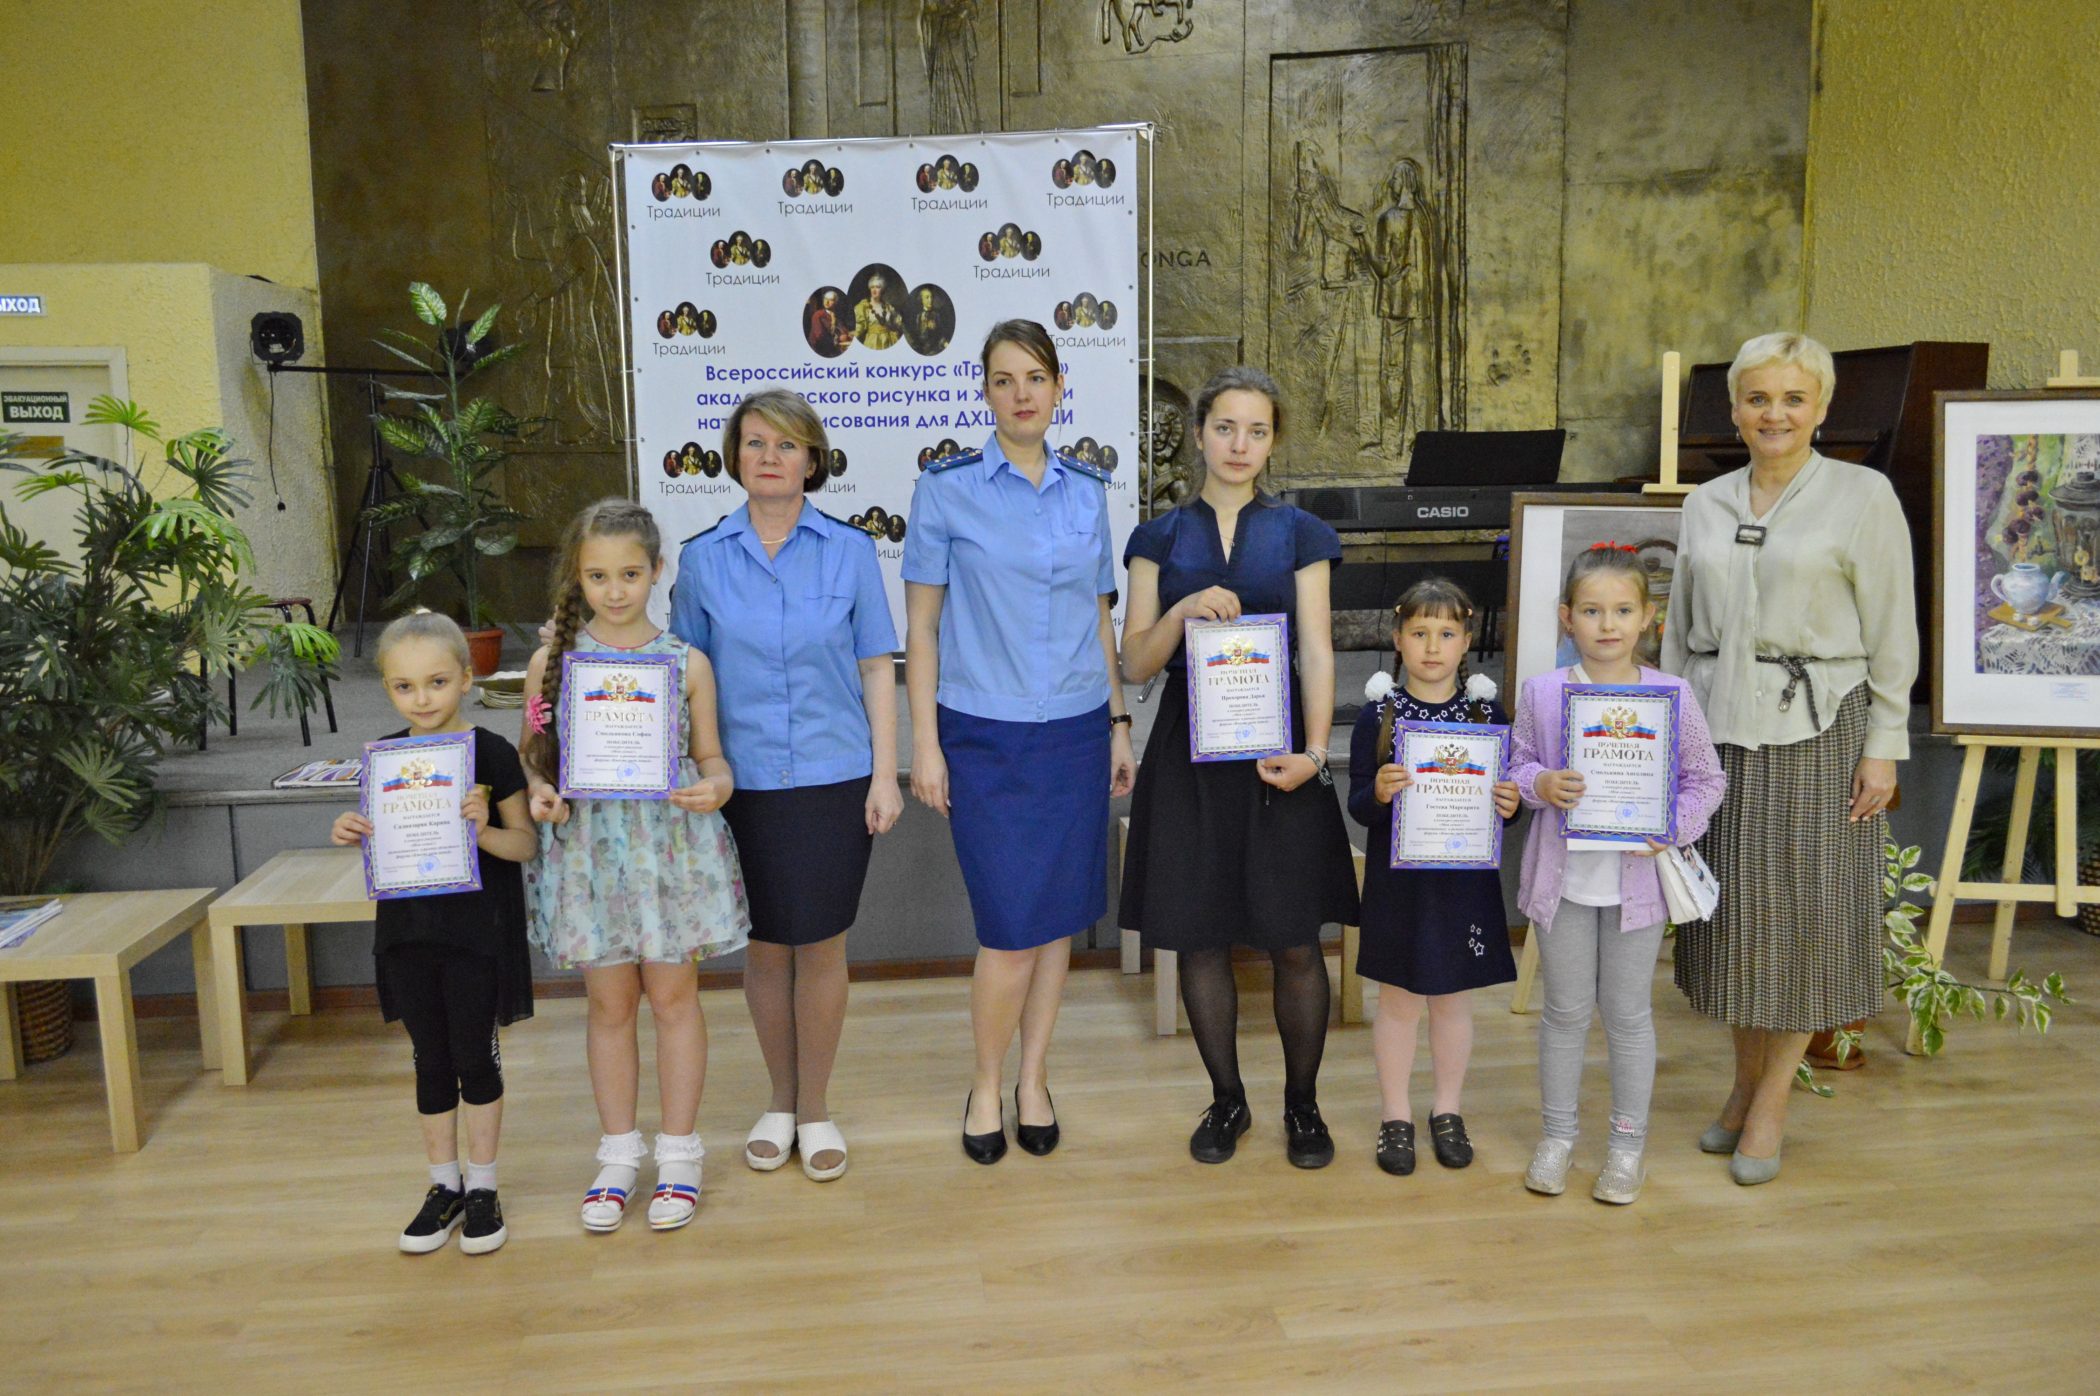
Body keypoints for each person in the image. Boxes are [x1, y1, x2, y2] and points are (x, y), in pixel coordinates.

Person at [1661, 331, 1917, 1185]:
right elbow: (1678, 632)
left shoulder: (1863, 496)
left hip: (1820, 729)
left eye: (1793, 398)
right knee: (1734, 921)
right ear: (1735, 409)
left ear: (1822, 408)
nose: (1775, 414)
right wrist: (1668, 735)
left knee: (1805, 920)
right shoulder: (1706, 504)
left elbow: (1894, 633)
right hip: (1718, 728)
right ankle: (1741, 1086)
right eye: (1759, 398)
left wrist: (1885, 747)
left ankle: (1772, 1101)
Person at [903, 319, 1136, 1165]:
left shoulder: (1086, 491)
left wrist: (1118, 724)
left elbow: (1099, 619)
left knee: (1055, 925)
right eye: (1004, 380)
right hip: (985, 737)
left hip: (1074, 732)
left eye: (1035, 377)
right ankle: (984, 1083)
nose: (1022, 394)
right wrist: (926, 745)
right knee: (1007, 928)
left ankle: (1033, 1080)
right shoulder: (946, 490)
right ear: (985, 392)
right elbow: (921, 630)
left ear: (1059, 386)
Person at [1118, 365, 1358, 1168]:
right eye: (1225, 427)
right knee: (1200, 938)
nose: (1239, 444)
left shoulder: (1301, 533)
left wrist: (1315, 754)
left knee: (1295, 940)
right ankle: (1227, 1100)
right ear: (1198, 434)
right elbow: (1134, 662)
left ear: (1273, 441)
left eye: (1257, 431)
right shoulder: (1157, 538)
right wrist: (1184, 609)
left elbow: (1317, 652)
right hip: (1188, 756)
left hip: (1279, 754)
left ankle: (1303, 1106)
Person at [670, 391, 902, 1183]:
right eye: (755, 443)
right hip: (741, 782)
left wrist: (884, 774)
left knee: (823, 945)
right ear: (734, 456)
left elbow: (876, 666)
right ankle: (778, 1099)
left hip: (836, 777)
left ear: (813, 459)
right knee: (766, 949)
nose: (770, 457)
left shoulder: (850, 551)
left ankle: (815, 1109)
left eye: (787, 444)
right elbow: (684, 676)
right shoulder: (702, 559)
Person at [522, 500, 751, 1233]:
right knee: (609, 1006)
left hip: (669, 851)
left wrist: (716, 786)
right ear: (577, 576)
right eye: (597, 576)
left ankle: (680, 1153)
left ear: (656, 571)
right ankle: (619, 1154)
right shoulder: (551, 665)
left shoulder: (687, 663)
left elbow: (712, 757)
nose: (614, 590)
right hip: (592, 853)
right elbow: (534, 761)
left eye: (629, 574)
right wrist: (541, 792)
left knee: (675, 1001)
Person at [1510, 545, 1726, 1204]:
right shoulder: (1544, 693)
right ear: (1566, 617)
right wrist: (1542, 783)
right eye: (1592, 611)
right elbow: (1517, 766)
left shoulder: (1671, 694)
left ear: (1647, 618)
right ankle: (1557, 1137)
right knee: (1564, 1012)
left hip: (1639, 889)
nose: (1608, 624)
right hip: (1564, 887)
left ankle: (1627, 1148)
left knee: (1629, 1016)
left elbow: (1706, 779)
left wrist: (1673, 825)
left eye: (1623, 611)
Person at [330, 611, 537, 1256]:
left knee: (475, 1057)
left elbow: (525, 844)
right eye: (404, 686)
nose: (421, 698)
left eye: (437, 681)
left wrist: (483, 830)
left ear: (468, 679)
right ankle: (443, 1185)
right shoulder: (387, 758)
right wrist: (353, 830)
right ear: (388, 689)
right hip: (407, 934)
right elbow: (385, 842)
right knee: (429, 1060)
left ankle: (483, 1187)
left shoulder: (492, 753)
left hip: (476, 935)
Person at [1347, 580, 1519, 1176]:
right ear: (1398, 639)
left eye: (1446, 633)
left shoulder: (1486, 712)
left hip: (1463, 886)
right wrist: (1378, 791)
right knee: (1398, 1002)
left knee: (1451, 1001)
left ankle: (1447, 1109)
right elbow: (1358, 805)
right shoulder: (1378, 713)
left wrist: (1509, 804)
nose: (1431, 646)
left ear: (1466, 641)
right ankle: (1394, 1115)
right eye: (1419, 633)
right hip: (1399, 887)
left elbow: (1506, 801)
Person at [854, 274, 903, 350]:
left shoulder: (888, 307)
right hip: (873, 342)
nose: (874, 290)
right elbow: (859, 327)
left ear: (882, 289)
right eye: (872, 287)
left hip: (889, 341)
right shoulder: (864, 306)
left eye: (877, 287)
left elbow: (898, 323)